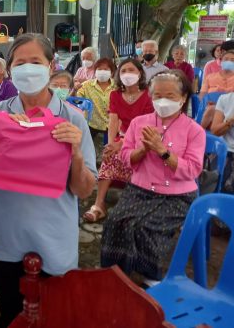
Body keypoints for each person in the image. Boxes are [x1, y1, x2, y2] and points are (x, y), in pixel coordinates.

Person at [0, 33, 96, 328]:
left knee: (52, 314)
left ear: (51, 64)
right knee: (11, 312)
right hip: (3, 234)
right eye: (20, 62)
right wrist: (3, 139)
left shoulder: (72, 119)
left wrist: (76, 153)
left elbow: (83, 189)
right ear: (9, 68)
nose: (28, 69)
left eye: (36, 62)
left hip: (51, 237)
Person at [101, 71, 204, 286]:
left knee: (146, 226)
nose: (163, 100)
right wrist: (143, 150)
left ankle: (150, 274)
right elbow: (126, 158)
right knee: (115, 221)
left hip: (177, 195)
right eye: (157, 95)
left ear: (183, 98)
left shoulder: (193, 130)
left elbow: (193, 170)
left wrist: (162, 151)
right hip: (140, 189)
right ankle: (116, 274)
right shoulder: (139, 123)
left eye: (170, 95)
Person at [83, 58, 154, 222]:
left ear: (140, 73)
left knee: (127, 155)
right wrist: (110, 144)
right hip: (120, 137)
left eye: (131, 70)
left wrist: (120, 144)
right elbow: (113, 121)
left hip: (142, 139)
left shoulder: (148, 96)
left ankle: (133, 206)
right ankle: (99, 205)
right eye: (123, 71)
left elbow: (144, 127)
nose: (127, 74)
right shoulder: (115, 94)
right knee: (109, 155)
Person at [76, 58, 117, 161]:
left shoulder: (117, 86)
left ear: (111, 72)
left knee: (110, 153)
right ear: (95, 71)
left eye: (106, 69)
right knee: (89, 151)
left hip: (112, 124)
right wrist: (75, 88)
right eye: (99, 69)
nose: (102, 71)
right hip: (92, 123)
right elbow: (77, 100)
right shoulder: (87, 85)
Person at [199, 49, 234, 128]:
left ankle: (199, 131)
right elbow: (202, 95)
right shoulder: (210, 77)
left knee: (213, 109)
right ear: (221, 61)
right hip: (209, 109)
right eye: (226, 59)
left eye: (233, 60)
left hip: (230, 111)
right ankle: (199, 132)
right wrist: (207, 102)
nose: (229, 62)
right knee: (211, 109)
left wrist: (220, 105)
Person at [211, 92, 234, 193]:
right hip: (228, 151)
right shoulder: (225, 99)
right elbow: (215, 131)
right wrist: (230, 121)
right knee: (221, 186)